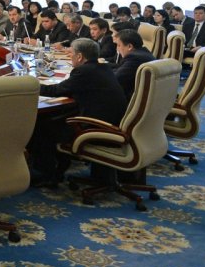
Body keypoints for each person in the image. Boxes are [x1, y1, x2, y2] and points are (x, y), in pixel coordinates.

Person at [31, 38, 127, 185]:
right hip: (112, 121)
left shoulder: (84, 71)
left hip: (97, 126)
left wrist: (30, 84)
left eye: (71, 54)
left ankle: (45, 174)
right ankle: (58, 166)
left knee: (41, 125)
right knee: (53, 120)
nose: (70, 57)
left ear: (80, 56)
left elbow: (56, 90)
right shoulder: (103, 68)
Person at [112, 29, 155, 98]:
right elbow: (120, 70)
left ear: (129, 46)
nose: (117, 49)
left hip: (126, 99)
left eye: (118, 45)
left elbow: (115, 79)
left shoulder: (134, 58)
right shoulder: (144, 53)